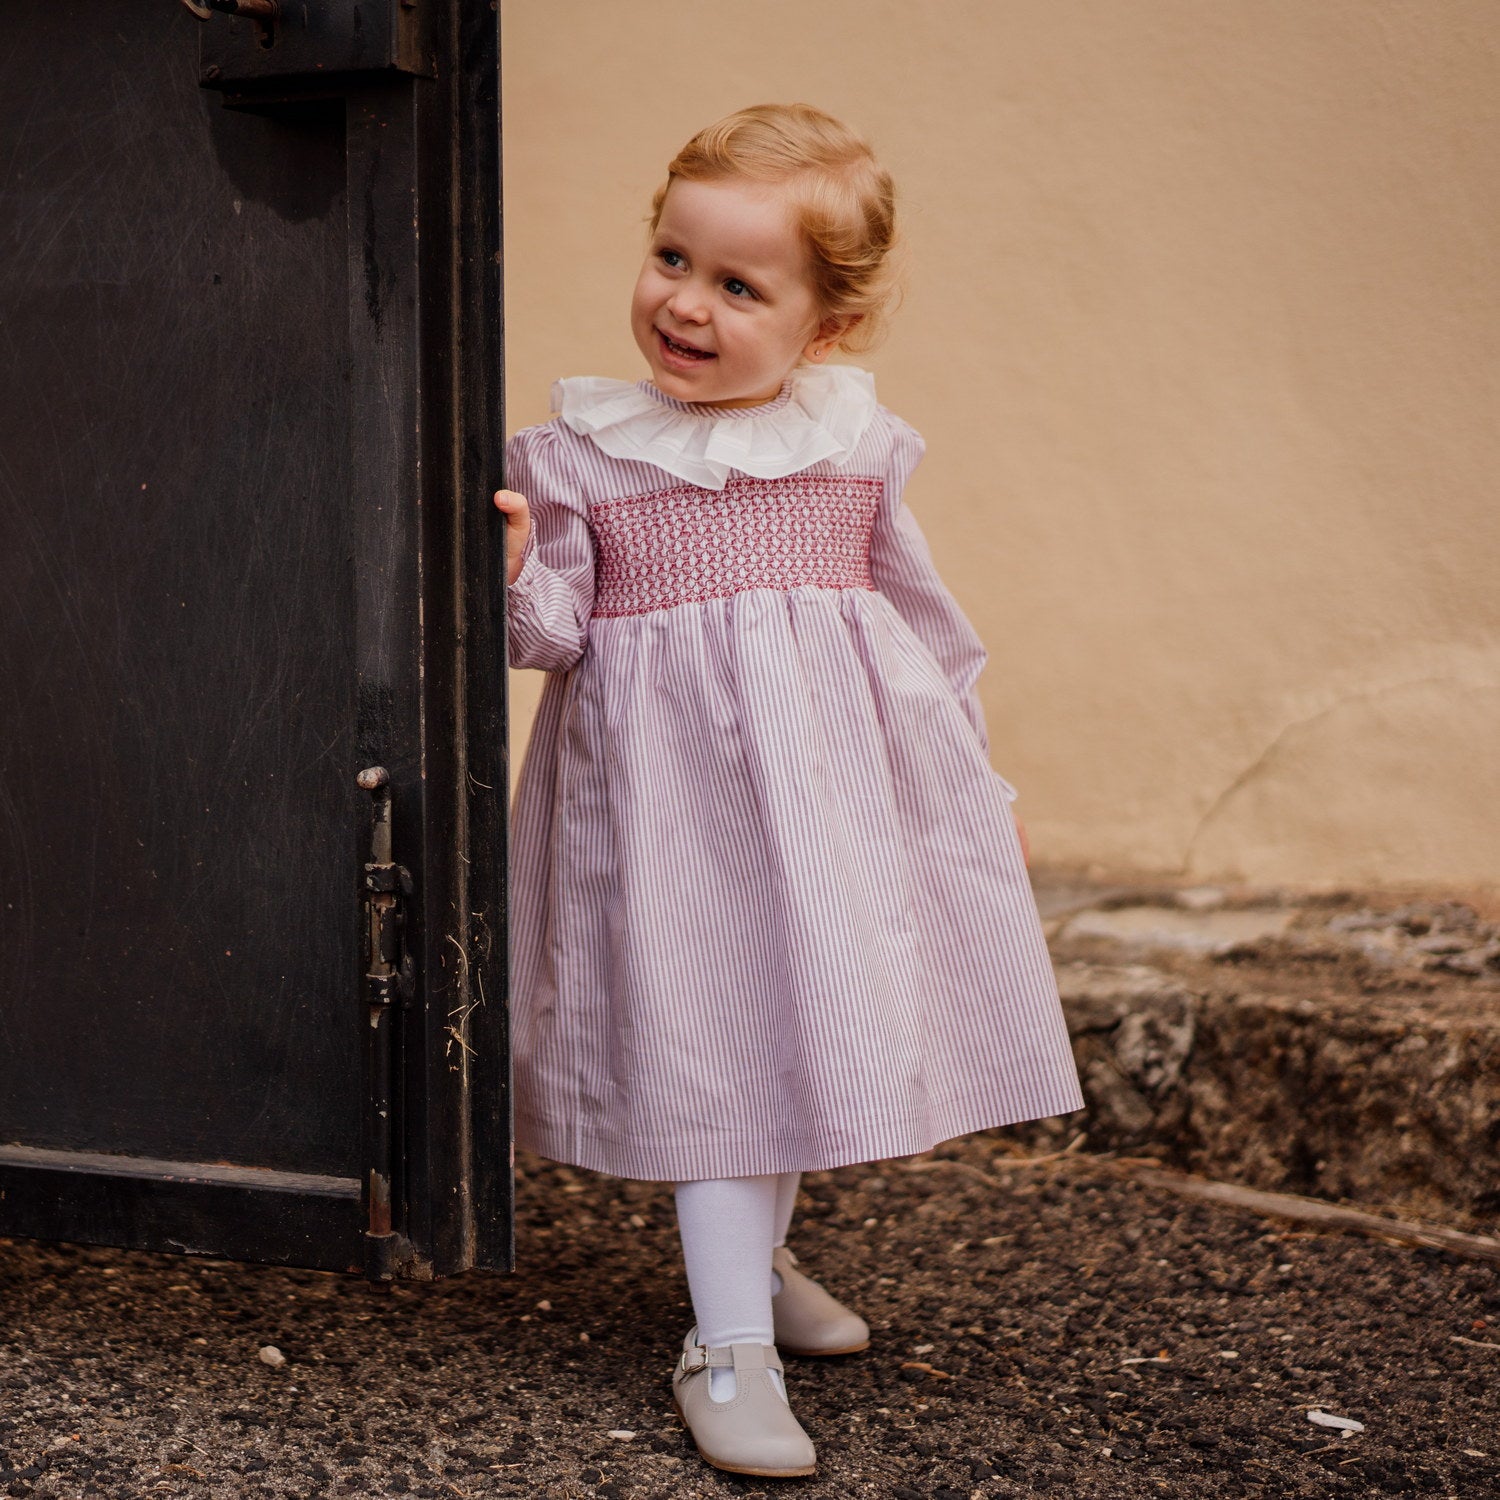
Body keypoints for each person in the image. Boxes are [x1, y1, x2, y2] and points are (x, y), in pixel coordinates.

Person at [492, 103, 1084, 1479]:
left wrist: (976, 784)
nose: (685, 303)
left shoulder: (852, 449)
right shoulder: (584, 456)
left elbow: (929, 628)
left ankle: (752, 1267)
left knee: (799, 1019)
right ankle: (726, 1344)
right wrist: (516, 566)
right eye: (671, 258)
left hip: (826, 807)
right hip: (664, 817)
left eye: (738, 286)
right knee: (713, 1036)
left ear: (823, 329)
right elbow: (552, 636)